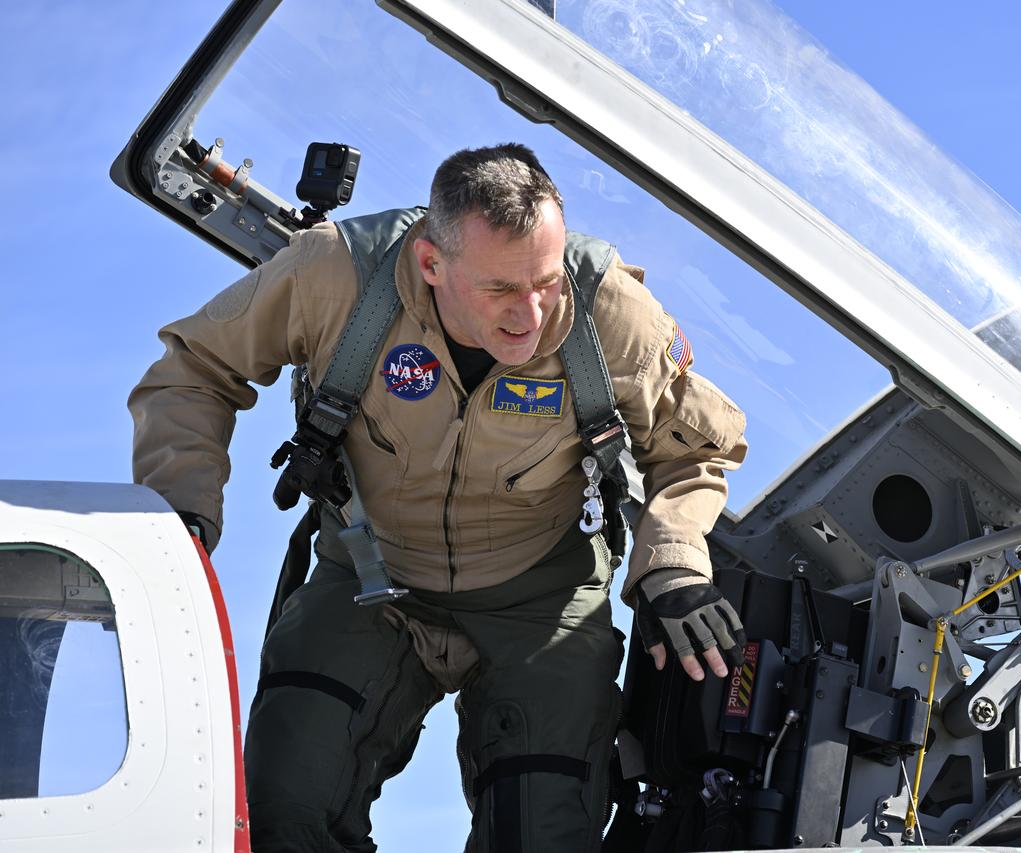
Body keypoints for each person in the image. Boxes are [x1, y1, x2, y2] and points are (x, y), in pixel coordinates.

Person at [129, 143, 748, 852]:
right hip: (369, 579)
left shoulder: (609, 310)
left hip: (541, 597)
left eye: (545, 282)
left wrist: (672, 561)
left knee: (542, 834)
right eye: (501, 291)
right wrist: (178, 520)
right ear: (431, 263)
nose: (534, 313)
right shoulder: (335, 275)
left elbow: (695, 448)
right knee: (282, 807)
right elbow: (194, 367)